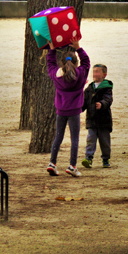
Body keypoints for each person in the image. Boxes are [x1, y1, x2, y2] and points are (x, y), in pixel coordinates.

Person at [46, 40, 90, 178]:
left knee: (58, 137)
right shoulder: (81, 73)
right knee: (74, 139)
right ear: (76, 62)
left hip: (61, 110)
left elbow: (50, 64)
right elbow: (87, 62)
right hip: (75, 111)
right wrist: (78, 48)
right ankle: (72, 166)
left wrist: (52, 49)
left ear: (61, 63)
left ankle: (52, 163)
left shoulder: (55, 74)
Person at [81, 63, 113, 169]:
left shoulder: (107, 87)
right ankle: (88, 158)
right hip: (91, 119)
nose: (95, 74)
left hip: (104, 120)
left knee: (105, 141)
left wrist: (102, 104)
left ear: (104, 74)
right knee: (91, 139)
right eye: (94, 71)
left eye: (97, 71)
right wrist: (78, 108)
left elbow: (108, 99)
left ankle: (105, 159)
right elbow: (84, 102)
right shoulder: (89, 88)